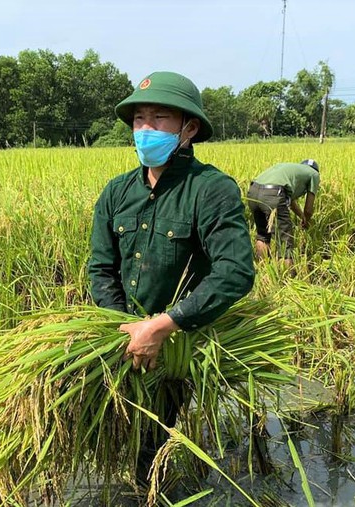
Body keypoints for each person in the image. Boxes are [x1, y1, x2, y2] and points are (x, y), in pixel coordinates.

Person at [88, 71, 255, 482]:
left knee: (151, 439)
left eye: (159, 118)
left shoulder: (211, 189)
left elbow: (235, 272)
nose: (146, 129)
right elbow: (101, 267)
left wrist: (161, 327)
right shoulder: (116, 192)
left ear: (189, 127)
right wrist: (121, 327)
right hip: (121, 338)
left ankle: (150, 487)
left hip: (175, 344)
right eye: (139, 119)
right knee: (110, 429)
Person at [247, 159, 320, 267]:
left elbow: (291, 202)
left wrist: (301, 216)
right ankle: (286, 280)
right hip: (274, 194)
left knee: (263, 235)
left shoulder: (292, 169)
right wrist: (307, 221)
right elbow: (308, 209)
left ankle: (261, 269)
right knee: (285, 243)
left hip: (253, 191)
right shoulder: (314, 174)